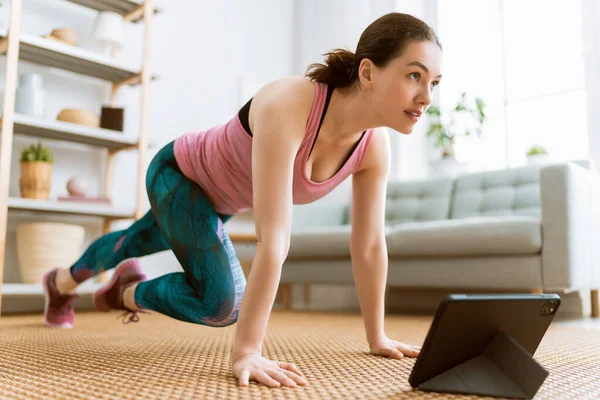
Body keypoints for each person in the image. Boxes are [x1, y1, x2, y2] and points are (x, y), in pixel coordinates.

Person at [41, 12, 442, 388]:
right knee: (221, 303)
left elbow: (370, 244)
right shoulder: (292, 103)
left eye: (434, 84)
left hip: (219, 205)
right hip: (178, 173)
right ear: (369, 71)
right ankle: (118, 291)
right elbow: (274, 240)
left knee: (136, 240)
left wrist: (378, 335)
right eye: (414, 76)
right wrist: (248, 352)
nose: (425, 97)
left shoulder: (374, 147)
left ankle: (66, 283)